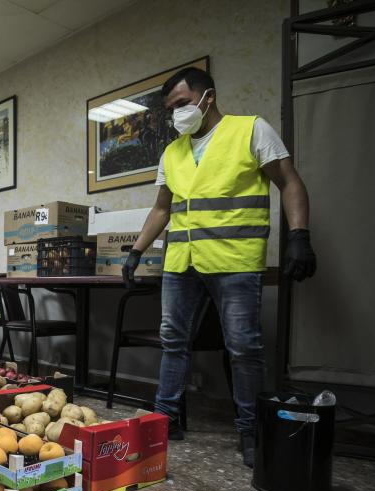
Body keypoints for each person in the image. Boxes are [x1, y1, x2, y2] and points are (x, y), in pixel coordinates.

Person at [122, 67, 317, 468]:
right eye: (171, 109)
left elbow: (290, 181)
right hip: (181, 262)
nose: (177, 114)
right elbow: (162, 208)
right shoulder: (173, 152)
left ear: (207, 97)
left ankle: (250, 430)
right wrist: (137, 251)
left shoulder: (250, 130)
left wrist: (299, 235)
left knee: (243, 347)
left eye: (182, 104)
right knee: (173, 342)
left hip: (234, 260)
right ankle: (167, 420)